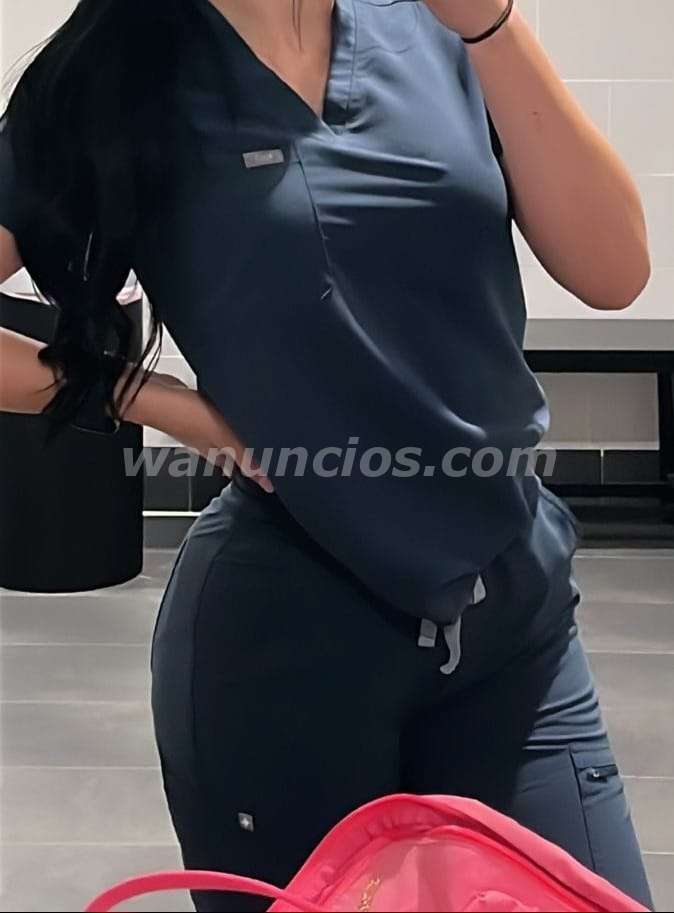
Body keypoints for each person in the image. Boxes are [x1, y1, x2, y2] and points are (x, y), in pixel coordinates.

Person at [0, 1, 654, 910]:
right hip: (288, 638)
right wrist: (160, 403)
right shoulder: (126, 71)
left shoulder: (442, 28)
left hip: (513, 617)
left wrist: (495, 26)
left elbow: (615, 272)